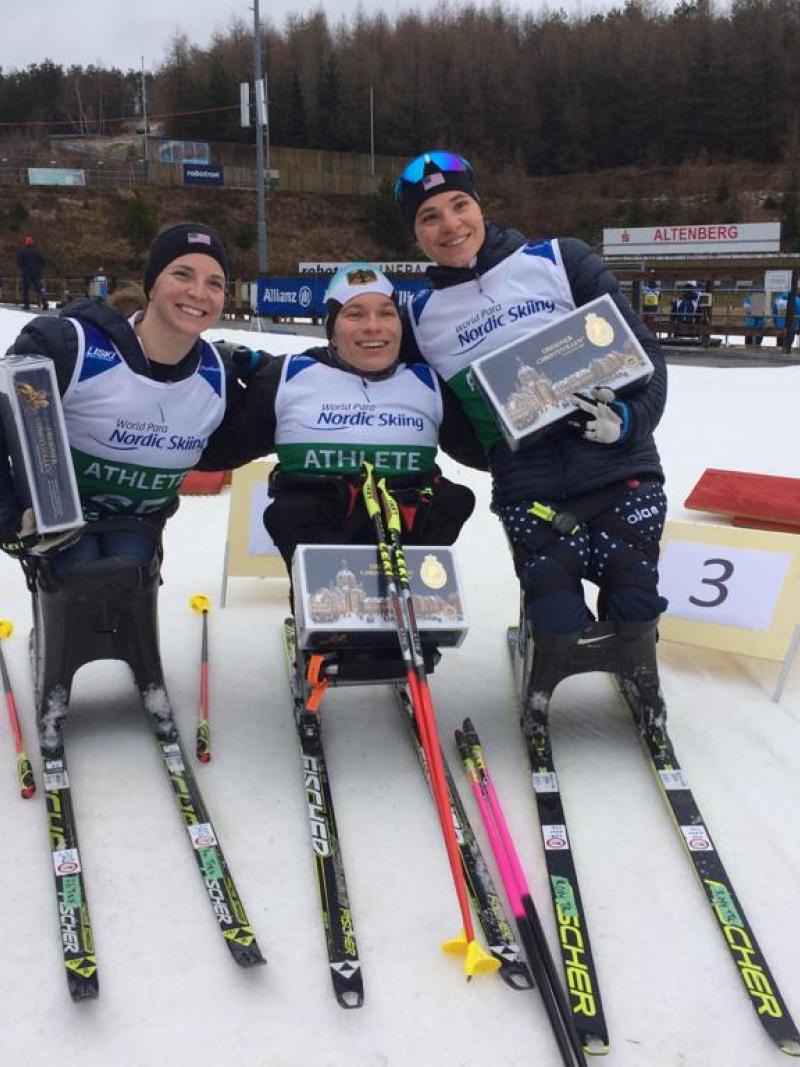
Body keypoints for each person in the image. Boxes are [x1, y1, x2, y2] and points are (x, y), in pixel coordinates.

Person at [393, 150, 668, 638]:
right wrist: (506, 445)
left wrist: (624, 421)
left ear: (480, 205)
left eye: (460, 205)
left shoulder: (561, 260)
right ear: (415, 233)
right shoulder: (418, 315)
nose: (450, 225)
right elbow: (451, 425)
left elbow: (647, 359)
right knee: (557, 623)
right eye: (429, 216)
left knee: (636, 610)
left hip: (620, 473)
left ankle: (634, 664)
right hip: (531, 491)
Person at [198, 262, 481, 571]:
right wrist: (207, 388)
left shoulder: (429, 381)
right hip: (326, 591)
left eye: (386, 312)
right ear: (331, 328)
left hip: (419, 582)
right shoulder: (287, 377)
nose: (373, 326)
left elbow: (485, 451)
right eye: (354, 313)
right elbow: (212, 452)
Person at [0, 222, 238, 574]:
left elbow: (264, 423)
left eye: (214, 283)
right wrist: (5, 515)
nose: (198, 292)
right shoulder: (69, 347)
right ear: (153, 284)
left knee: (130, 570)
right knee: (78, 575)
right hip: (55, 523)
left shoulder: (220, 374)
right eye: (182, 274)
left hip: (135, 525)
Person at [16, 235, 47, 311]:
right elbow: (43, 262)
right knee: (38, 288)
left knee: (26, 289)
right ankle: (44, 301)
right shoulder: (37, 252)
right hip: (36, 273)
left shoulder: (23, 252)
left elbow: (20, 263)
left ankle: (27, 305)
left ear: (26, 243)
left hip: (26, 273)